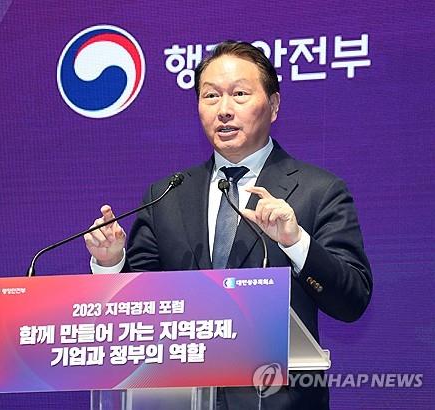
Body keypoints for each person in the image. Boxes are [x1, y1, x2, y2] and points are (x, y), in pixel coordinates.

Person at [84, 41, 372, 409]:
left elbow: (351, 301)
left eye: (239, 94)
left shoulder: (319, 191)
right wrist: (110, 263)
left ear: (274, 105)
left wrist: (296, 242)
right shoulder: (167, 195)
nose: (224, 110)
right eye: (210, 96)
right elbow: (140, 309)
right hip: (178, 398)